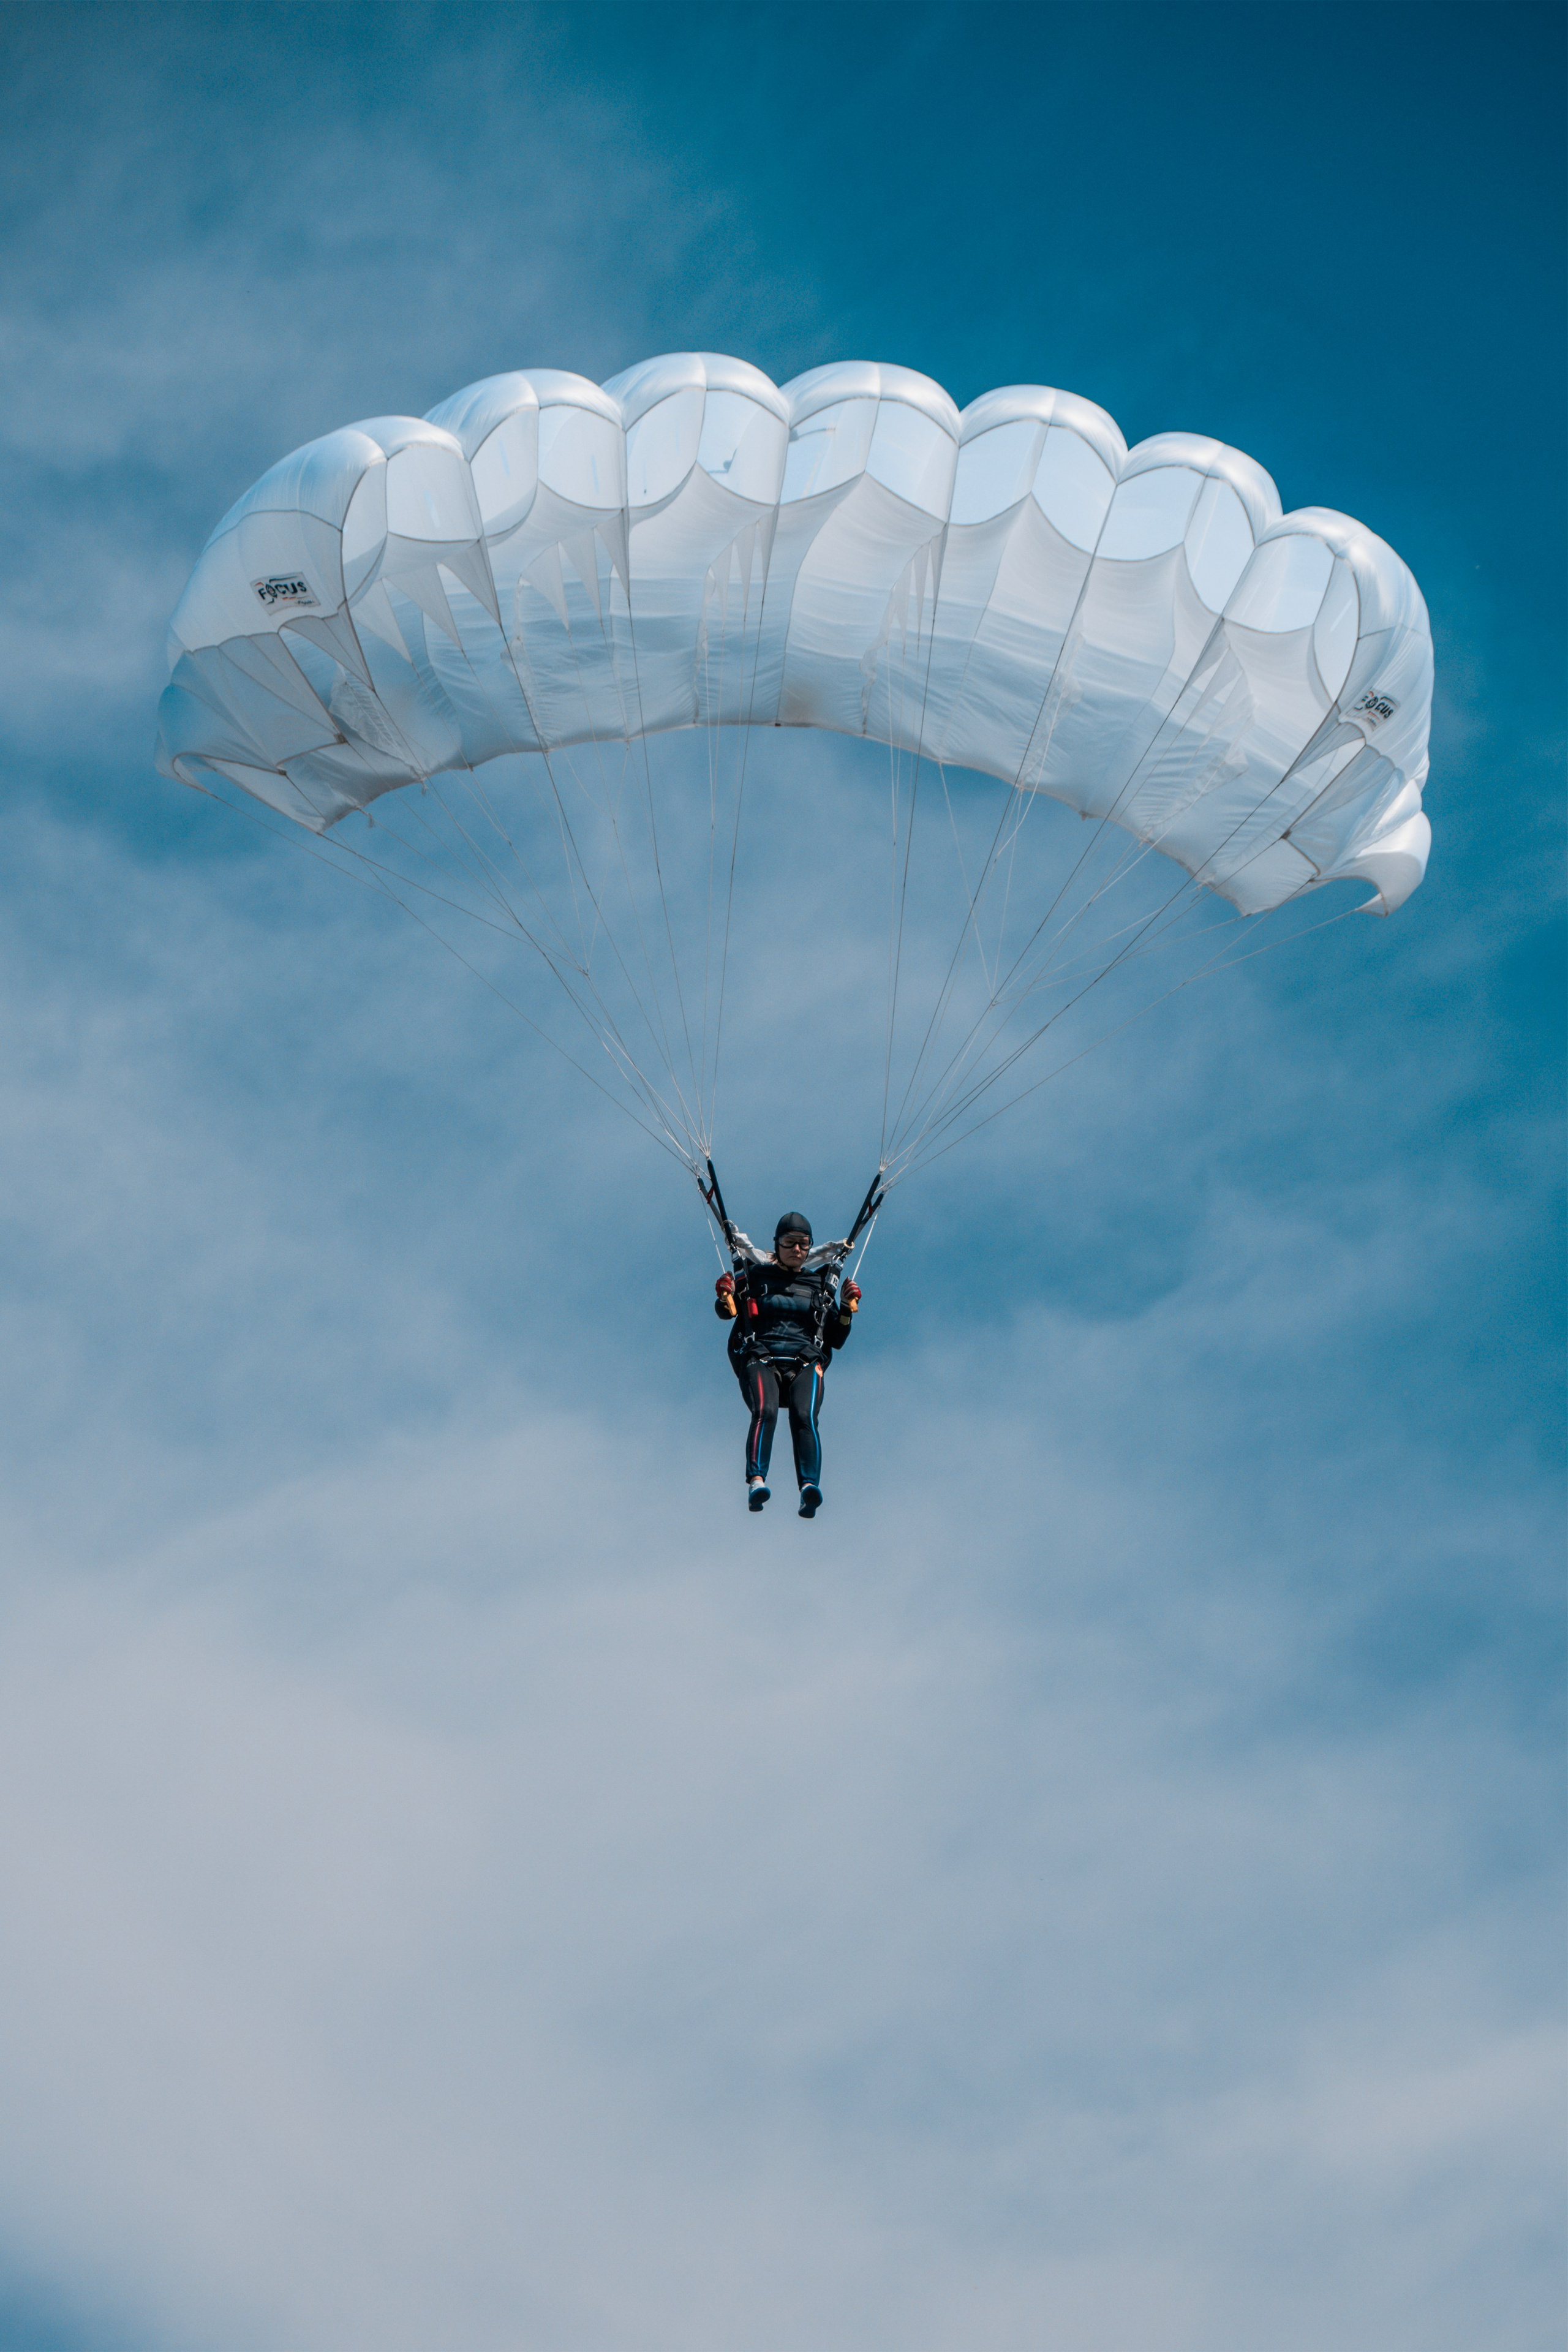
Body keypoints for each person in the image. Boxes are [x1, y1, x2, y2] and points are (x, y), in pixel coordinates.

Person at [714, 1212, 861, 1517]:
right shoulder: (754, 1276)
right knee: (765, 1411)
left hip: (805, 1360)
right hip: (761, 1355)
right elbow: (728, 1313)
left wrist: (846, 1309)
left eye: (803, 1244)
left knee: (804, 1416)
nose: (797, 1250)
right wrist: (724, 1295)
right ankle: (757, 1481)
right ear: (777, 1245)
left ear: (810, 1248)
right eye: (790, 1243)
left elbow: (836, 1335)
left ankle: (809, 1488)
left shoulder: (819, 1284)